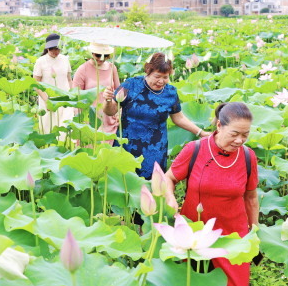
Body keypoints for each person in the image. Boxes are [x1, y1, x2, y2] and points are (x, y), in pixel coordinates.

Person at [164, 102, 259, 286]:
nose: (240, 140)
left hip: (232, 236)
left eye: (245, 135)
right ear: (219, 126)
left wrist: (254, 232)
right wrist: (170, 198)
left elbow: (251, 197)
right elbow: (169, 178)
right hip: (195, 233)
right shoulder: (195, 149)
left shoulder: (248, 156)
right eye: (234, 134)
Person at [103, 52, 210, 179]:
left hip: (155, 148)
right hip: (127, 144)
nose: (161, 81)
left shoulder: (170, 92)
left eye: (165, 77)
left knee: (152, 183)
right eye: (157, 76)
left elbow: (179, 118)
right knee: (122, 181)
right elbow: (110, 111)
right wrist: (108, 100)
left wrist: (200, 132)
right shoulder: (131, 85)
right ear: (148, 71)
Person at [72, 43, 121, 138]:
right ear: (92, 53)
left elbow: (118, 92)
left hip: (109, 116)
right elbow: (76, 97)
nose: (101, 58)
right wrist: (80, 120)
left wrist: (119, 113)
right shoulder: (82, 69)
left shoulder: (112, 67)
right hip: (89, 118)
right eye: (98, 55)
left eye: (105, 55)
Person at [33, 33, 73, 134]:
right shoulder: (40, 61)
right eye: (53, 49)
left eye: (58, 48)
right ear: (48, 48)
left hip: (65, 99)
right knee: (48, 130)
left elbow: (69, 79)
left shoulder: (65, 59)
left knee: (65, 129)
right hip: (47, 99)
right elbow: (36, 84)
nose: (56, 51)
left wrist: (73, 95)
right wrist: (47, 101)